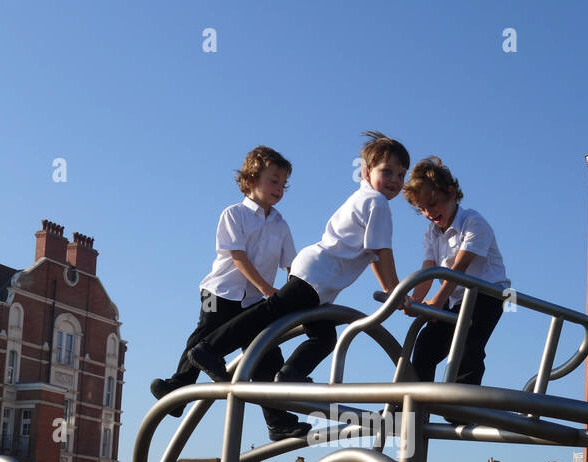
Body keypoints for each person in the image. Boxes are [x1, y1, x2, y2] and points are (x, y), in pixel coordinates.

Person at [171, 131, 411, 441]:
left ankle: (289, 377)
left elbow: (373, 252)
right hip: (314, 276)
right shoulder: (377, 202)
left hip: (319, 281)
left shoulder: (366, 199)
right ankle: (209, 349)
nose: (394, 180)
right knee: (269, 315)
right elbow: (381, 251)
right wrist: (394, 290)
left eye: (401, 175)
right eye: (386, 172)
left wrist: (391, 290)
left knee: (323, 337)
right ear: (366, 173)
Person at [150, 146, 295, 417]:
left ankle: (279, 419)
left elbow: (291, 264)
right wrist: (266, 288)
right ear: (251, 179)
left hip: (252, 301)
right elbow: (237, 256)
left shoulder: (281, 225)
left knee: (265, 353)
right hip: (220, 290)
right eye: (273, 181)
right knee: (205, 336)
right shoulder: (234, 214)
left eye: (283, 184)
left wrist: (296, 292)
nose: (279, 188)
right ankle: (177, 388)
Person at [402, 157, 509, 386]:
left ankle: (461, 408)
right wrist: (416, 301)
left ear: (451, 194)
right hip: (455, 298)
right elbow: (428, 269)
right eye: (421, 209)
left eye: (432, 204)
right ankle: (413, 408)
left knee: (467, 346)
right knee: (425, 346)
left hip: (487, 296)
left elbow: (459, 268)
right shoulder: (432, 232)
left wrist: (437, 302)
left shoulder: (473, 222)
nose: (429, 213)